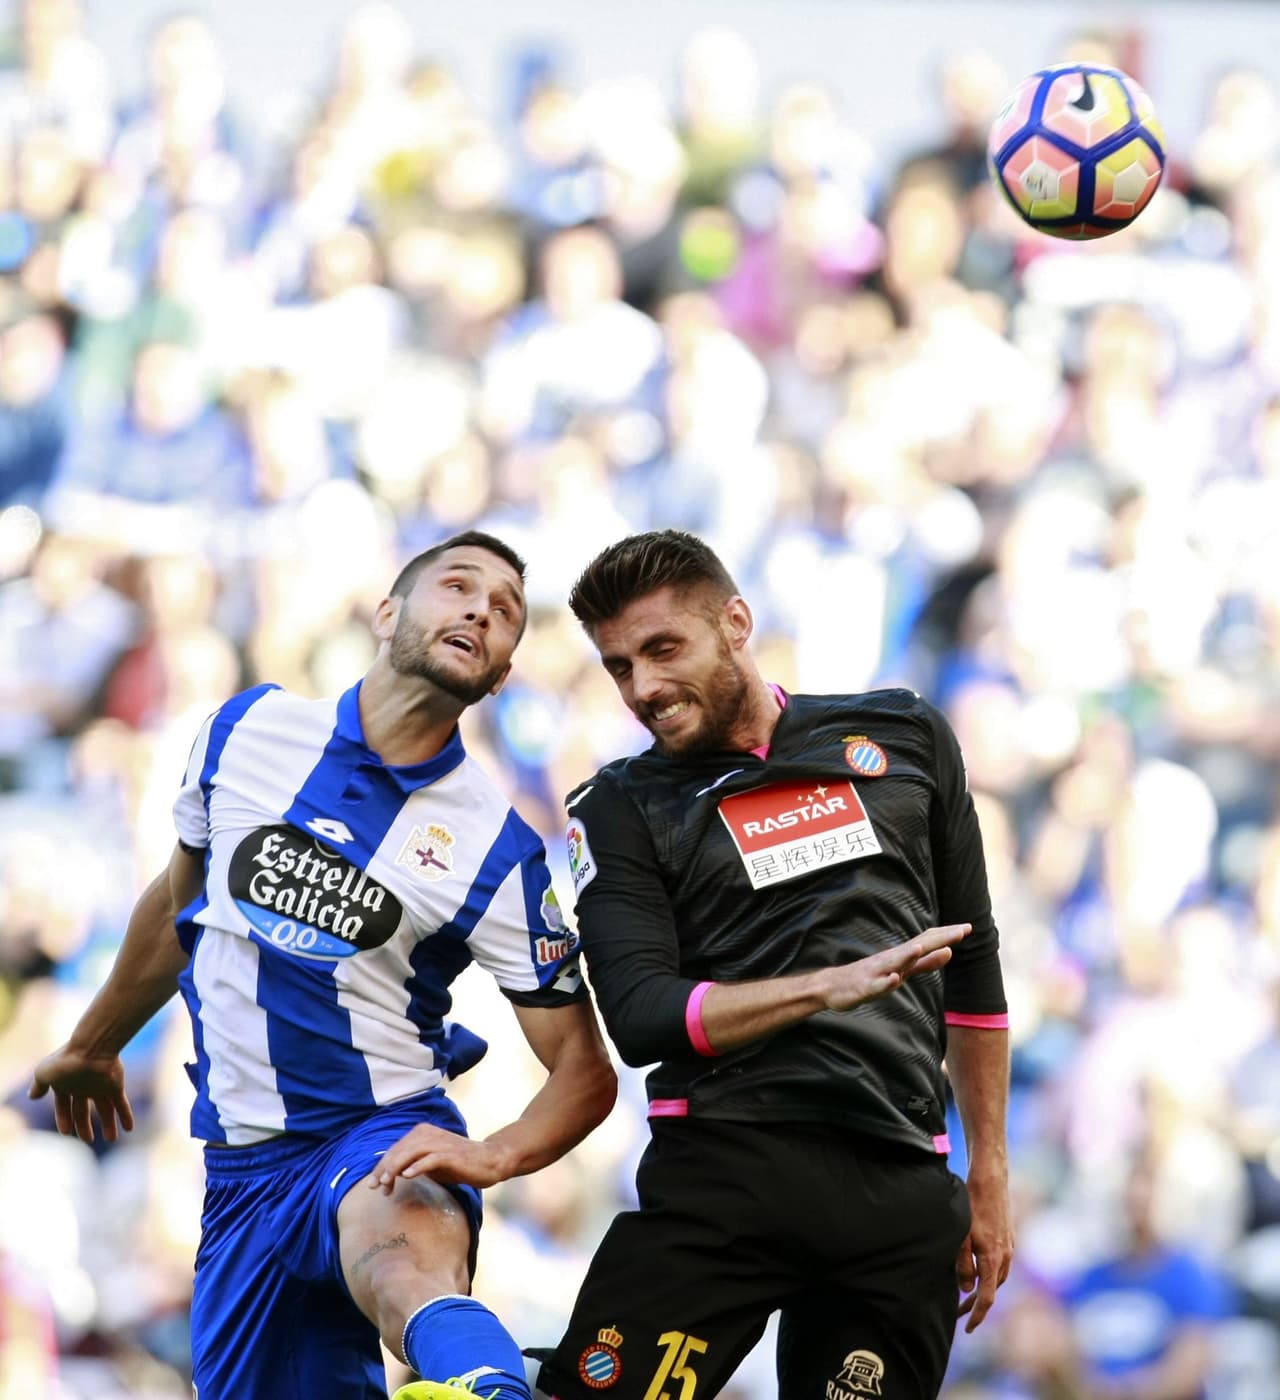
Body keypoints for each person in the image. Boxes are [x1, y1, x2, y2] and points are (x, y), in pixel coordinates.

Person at [29, 529, 618, 1400]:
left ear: (499, 676)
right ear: (386, 613)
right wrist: (94, 1042)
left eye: (505, 615)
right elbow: (178, 905)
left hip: (373, 1135)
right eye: (458, 586)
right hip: (238, 1174)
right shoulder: (244, 730)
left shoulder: (499, 851)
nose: (481, 611)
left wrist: (492, 1155)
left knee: (399, 1273)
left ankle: (492, 1388)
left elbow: (583, 1071)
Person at [535, 529, 1013, 1400]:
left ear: (737, 623)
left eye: (662, 649)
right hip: (727, 1176)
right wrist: (822, 988)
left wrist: (988, 1177)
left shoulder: (902, 733)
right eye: (618, 667)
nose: (643, 687)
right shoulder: (616, 807)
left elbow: (973, 975)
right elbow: (641, 1014)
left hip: (900, 1190)